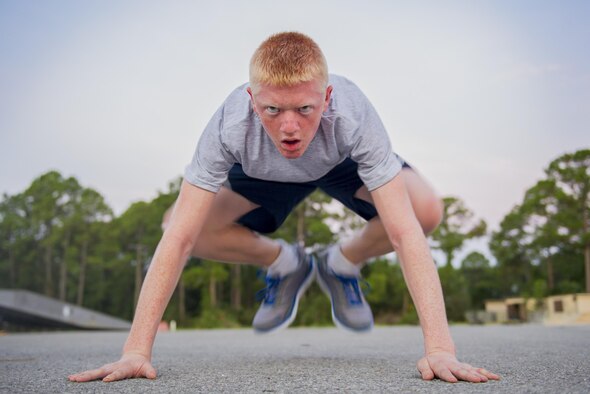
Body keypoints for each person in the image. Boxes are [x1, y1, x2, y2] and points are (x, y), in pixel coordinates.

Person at [69, 32, 500, 384]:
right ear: (251, 99)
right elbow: (179, 237)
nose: (289, 126)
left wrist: (440, 349)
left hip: (339, 164)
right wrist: (135, 351)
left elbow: (406, 232)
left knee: (425, 210)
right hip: (263, 172)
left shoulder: (353, 114)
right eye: (272, 109)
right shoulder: (230, 125)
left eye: (304, 109)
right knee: (176, 223)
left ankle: (340, 263)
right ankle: (284, 263)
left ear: (327, 97)